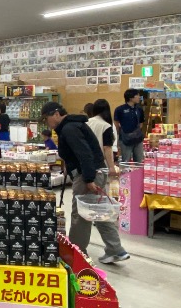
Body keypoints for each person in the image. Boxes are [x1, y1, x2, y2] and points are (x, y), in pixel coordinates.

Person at [42, 101, 130, 264]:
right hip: (95, 172)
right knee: (98, 211)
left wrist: (88, 179)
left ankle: (76, 254)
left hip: (88, 175)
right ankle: (115, 249)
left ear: (55, 114)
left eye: (47, 118)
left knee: (81, 215)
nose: (47, 123)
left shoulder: (69, 129)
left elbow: (85, 154)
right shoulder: (72, 126)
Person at [87, 98, 117, 177]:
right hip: (99, 163)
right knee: (100, 187)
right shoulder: (106, 126)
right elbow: (107, 147)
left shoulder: (86, 122)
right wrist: (111, 167)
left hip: (85, 161)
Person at [114, 89, 145, 163]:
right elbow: (116, 123)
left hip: (138, 139)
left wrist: (135, 133)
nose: (139, 97)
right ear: (131, 97)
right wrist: (120, 134)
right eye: (137, 95)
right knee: (126, 161)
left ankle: (138, 174)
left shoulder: (139, 109)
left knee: (139, 161)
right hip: (125, 139)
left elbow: (141, 122)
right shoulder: (120, 109)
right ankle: (126, 174)